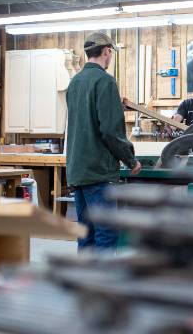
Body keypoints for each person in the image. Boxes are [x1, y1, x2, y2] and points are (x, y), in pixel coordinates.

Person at [66, 32, 141, 250]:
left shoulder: (75, 82)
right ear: (107, 51)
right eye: (110, 53)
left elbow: (85, 121)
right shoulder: (105, 81)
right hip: (99, 172)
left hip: (78, 171)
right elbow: (110, 130)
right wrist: (130, 159)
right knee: (107, 234)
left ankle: (85, 282)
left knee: (86, 234)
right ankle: (102, 283)